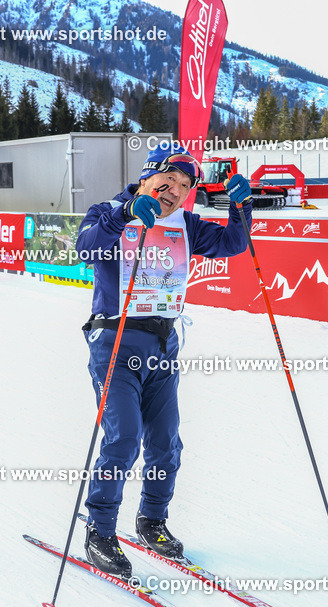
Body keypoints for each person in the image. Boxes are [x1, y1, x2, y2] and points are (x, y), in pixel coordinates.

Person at [75, 142, 253, 578]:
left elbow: (233, 243)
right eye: (168, 180)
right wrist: (126, 215)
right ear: (148, 175)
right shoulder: (107, 210)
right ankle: (99, 531)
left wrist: (240, 207)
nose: (175, 191)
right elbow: (88, 248)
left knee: (165, 442)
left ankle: (152, 520)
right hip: (115, 342)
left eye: (185, 186)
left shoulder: (186, 224)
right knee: (123, 439)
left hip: (161, 346)